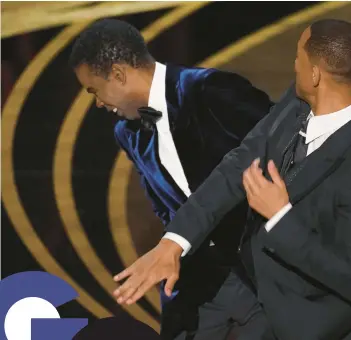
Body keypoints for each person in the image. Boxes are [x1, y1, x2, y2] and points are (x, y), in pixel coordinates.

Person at [113, 19, 351, 340]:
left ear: (315, 74)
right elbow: (238, 165)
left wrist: (280, 216)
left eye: (299, 56)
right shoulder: (300, 101)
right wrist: (175, 242)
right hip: (272, 301)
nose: (293, 64)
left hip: (329, 326)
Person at [69, 19, 275, 340]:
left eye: (95, 90)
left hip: (264, 271)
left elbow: (288, 154)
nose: (97, 102)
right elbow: (165, 207)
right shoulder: (127, 133)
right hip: (198, 279)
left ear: (119, 75)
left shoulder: (211, 90)